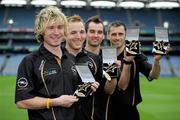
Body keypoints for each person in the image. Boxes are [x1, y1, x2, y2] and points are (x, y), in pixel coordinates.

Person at [15, 6, 79, 120]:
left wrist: (88, 88)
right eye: (50, 28)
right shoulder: (30, 61)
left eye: (60, 27)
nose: (56, 32)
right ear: (42, 30)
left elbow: (76, 94)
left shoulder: (71, 59)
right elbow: (22, 101)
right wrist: (56, 102)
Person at [107, 21, 162, 120]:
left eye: (120, 34)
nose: (117, 37)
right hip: (106, 111)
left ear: (125, 35)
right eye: (114, 34)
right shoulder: (103, 56)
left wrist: (156, 61)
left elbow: (153, 75)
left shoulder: (136, 55)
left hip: (129, 113)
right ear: (108, 36)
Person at [65, 15, 100, 120]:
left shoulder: (95, 59)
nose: (79, 36)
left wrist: (97, 86)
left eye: (82, 32)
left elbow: (108, 91)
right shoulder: (56, 58)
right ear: (64, 35)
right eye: (73, 33)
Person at [85, 15, 118, 120]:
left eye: (99, 32)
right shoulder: (75, 56)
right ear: (85, 33)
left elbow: (109, 91)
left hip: (102, 115)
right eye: (92, 31)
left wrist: (113, 75)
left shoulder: (109, 58)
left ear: (104, 36)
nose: (96, 35)